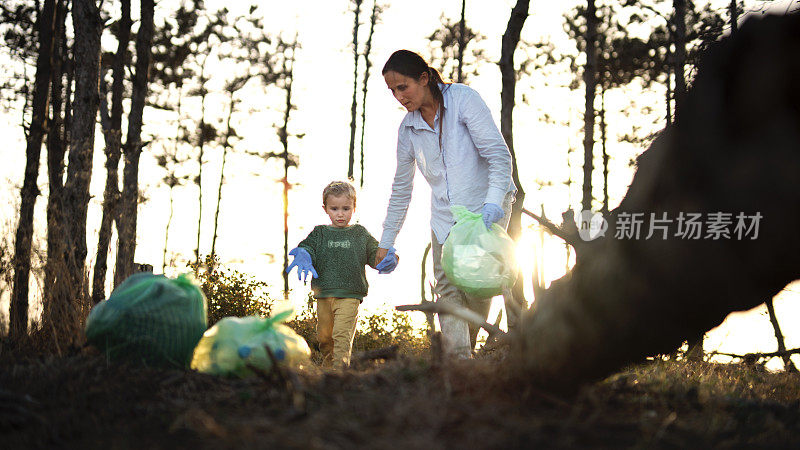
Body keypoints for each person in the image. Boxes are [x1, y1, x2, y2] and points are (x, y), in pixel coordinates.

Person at [377, 49, 517, 359]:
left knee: (477, 282)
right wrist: (387, 242)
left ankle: (465, 349)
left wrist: (493, 202)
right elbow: (401, 189)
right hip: (445, 217)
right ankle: (460, 363)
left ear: (424, 78)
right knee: (448, 287)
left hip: (486, 205)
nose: (399, 96)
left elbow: (498, 156)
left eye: (403, 87)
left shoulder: (463, 100)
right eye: (392, 90)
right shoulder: (408, 130)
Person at [287, 181, 399, 367]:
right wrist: (304, 253)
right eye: (334, 208)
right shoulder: (320, 233)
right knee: (325, 339)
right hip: (323, 295)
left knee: (341, 335)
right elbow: (308, 247)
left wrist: (388, 257)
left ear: (354, 208)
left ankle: (340, 371)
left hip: (349, 294)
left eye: (346, 208)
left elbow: (374, 254)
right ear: (325, 209)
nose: (340, 213)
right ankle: (329, 373)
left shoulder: (360, 233)